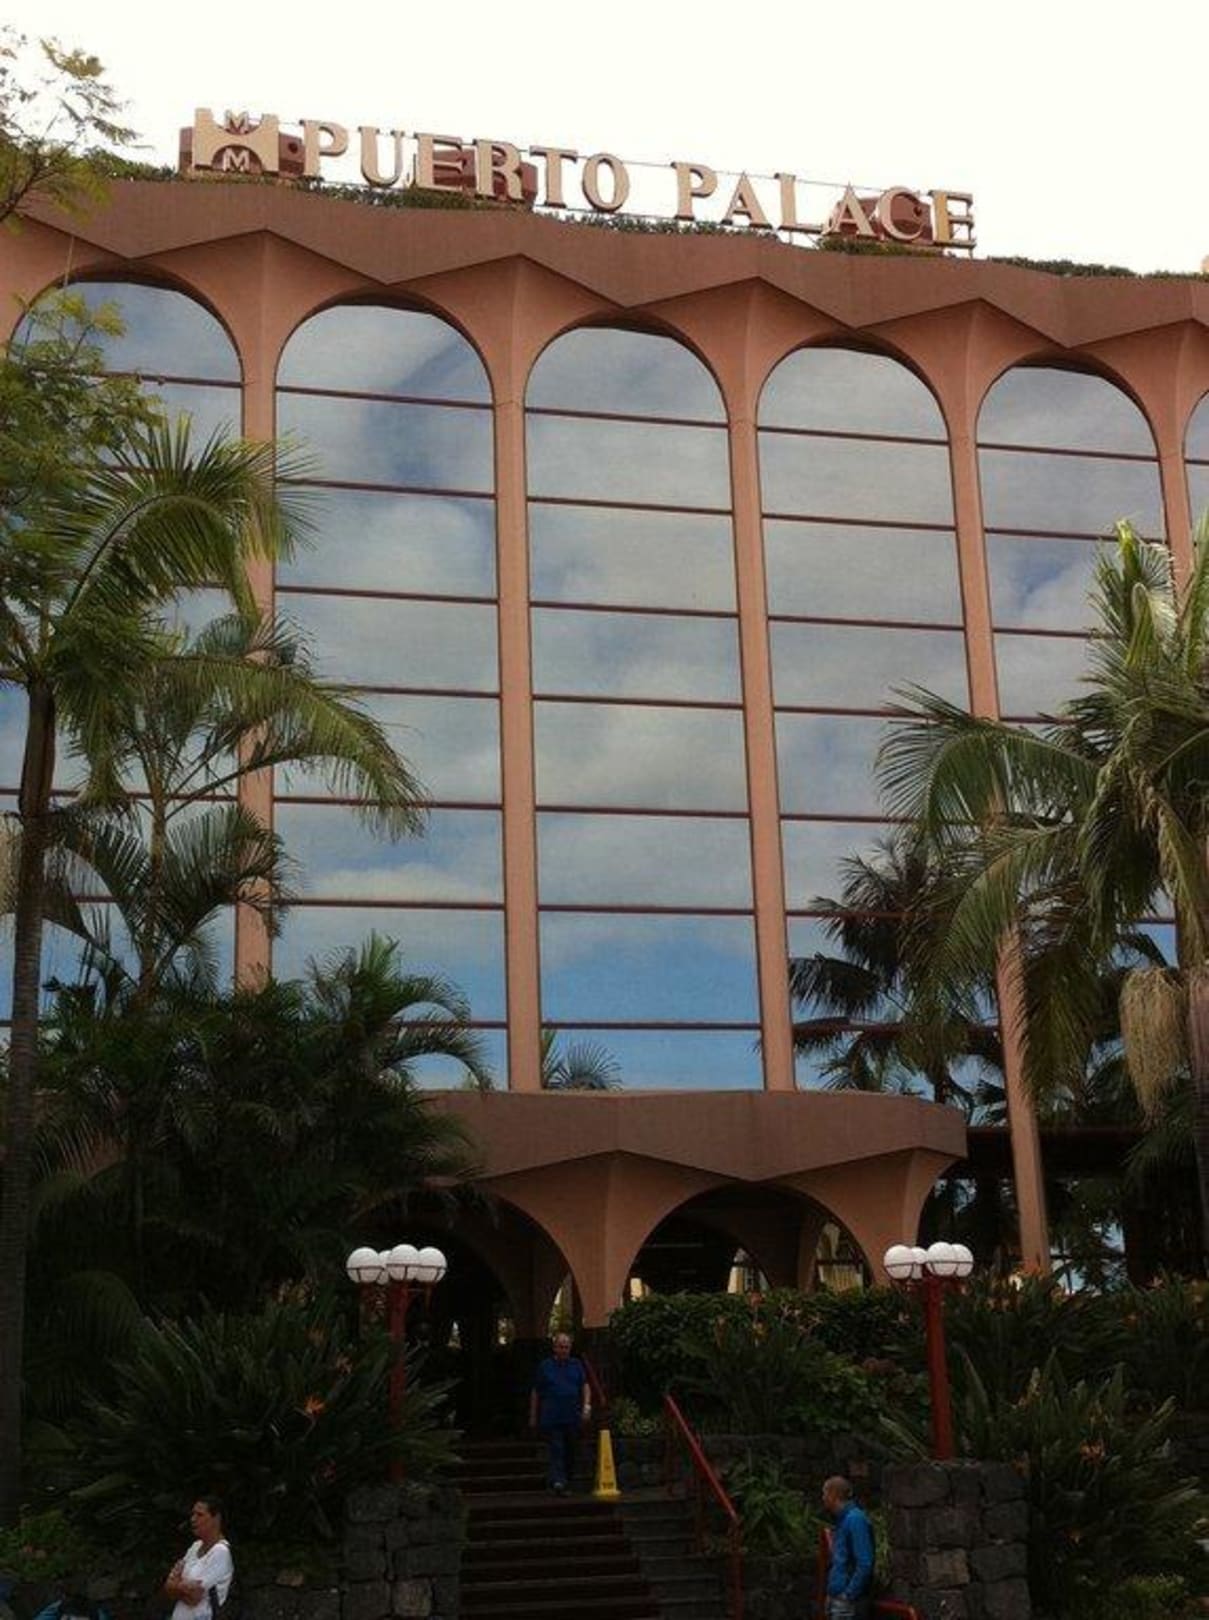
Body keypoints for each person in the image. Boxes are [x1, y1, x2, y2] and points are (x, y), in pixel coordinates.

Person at [528, 1331, 591, 1493]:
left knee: (570, 1450)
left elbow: (585, 1386)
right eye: (561, 1347)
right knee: (557, 1449)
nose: (564, 1350)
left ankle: (564, 1480)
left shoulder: (576, 1364)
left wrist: (586, 1406)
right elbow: (536, 1391)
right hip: (552, 1416)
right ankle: (558, 1481)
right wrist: (533, 1415)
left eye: (566, 1347)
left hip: (572, 1415)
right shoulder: (545, 1366)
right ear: (554, 1348)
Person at [163, 1497, 233, 1620]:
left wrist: (176, 1584)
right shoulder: (195, 1547)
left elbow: (194, 1597)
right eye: (193, 1514)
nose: (193, 1519)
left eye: (200, 1515)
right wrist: (183, 1587)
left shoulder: (220, 1552)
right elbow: (168, 1588)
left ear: (216, 1518)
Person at [822, 1475, 874, 1620]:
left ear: (833, 1495)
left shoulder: (855, 1520)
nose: (823, 1498)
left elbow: (865, 1563)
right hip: (838, 1595)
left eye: (825, 1493)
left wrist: (848, 1595)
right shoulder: (843, 1520)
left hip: (848, 1601)